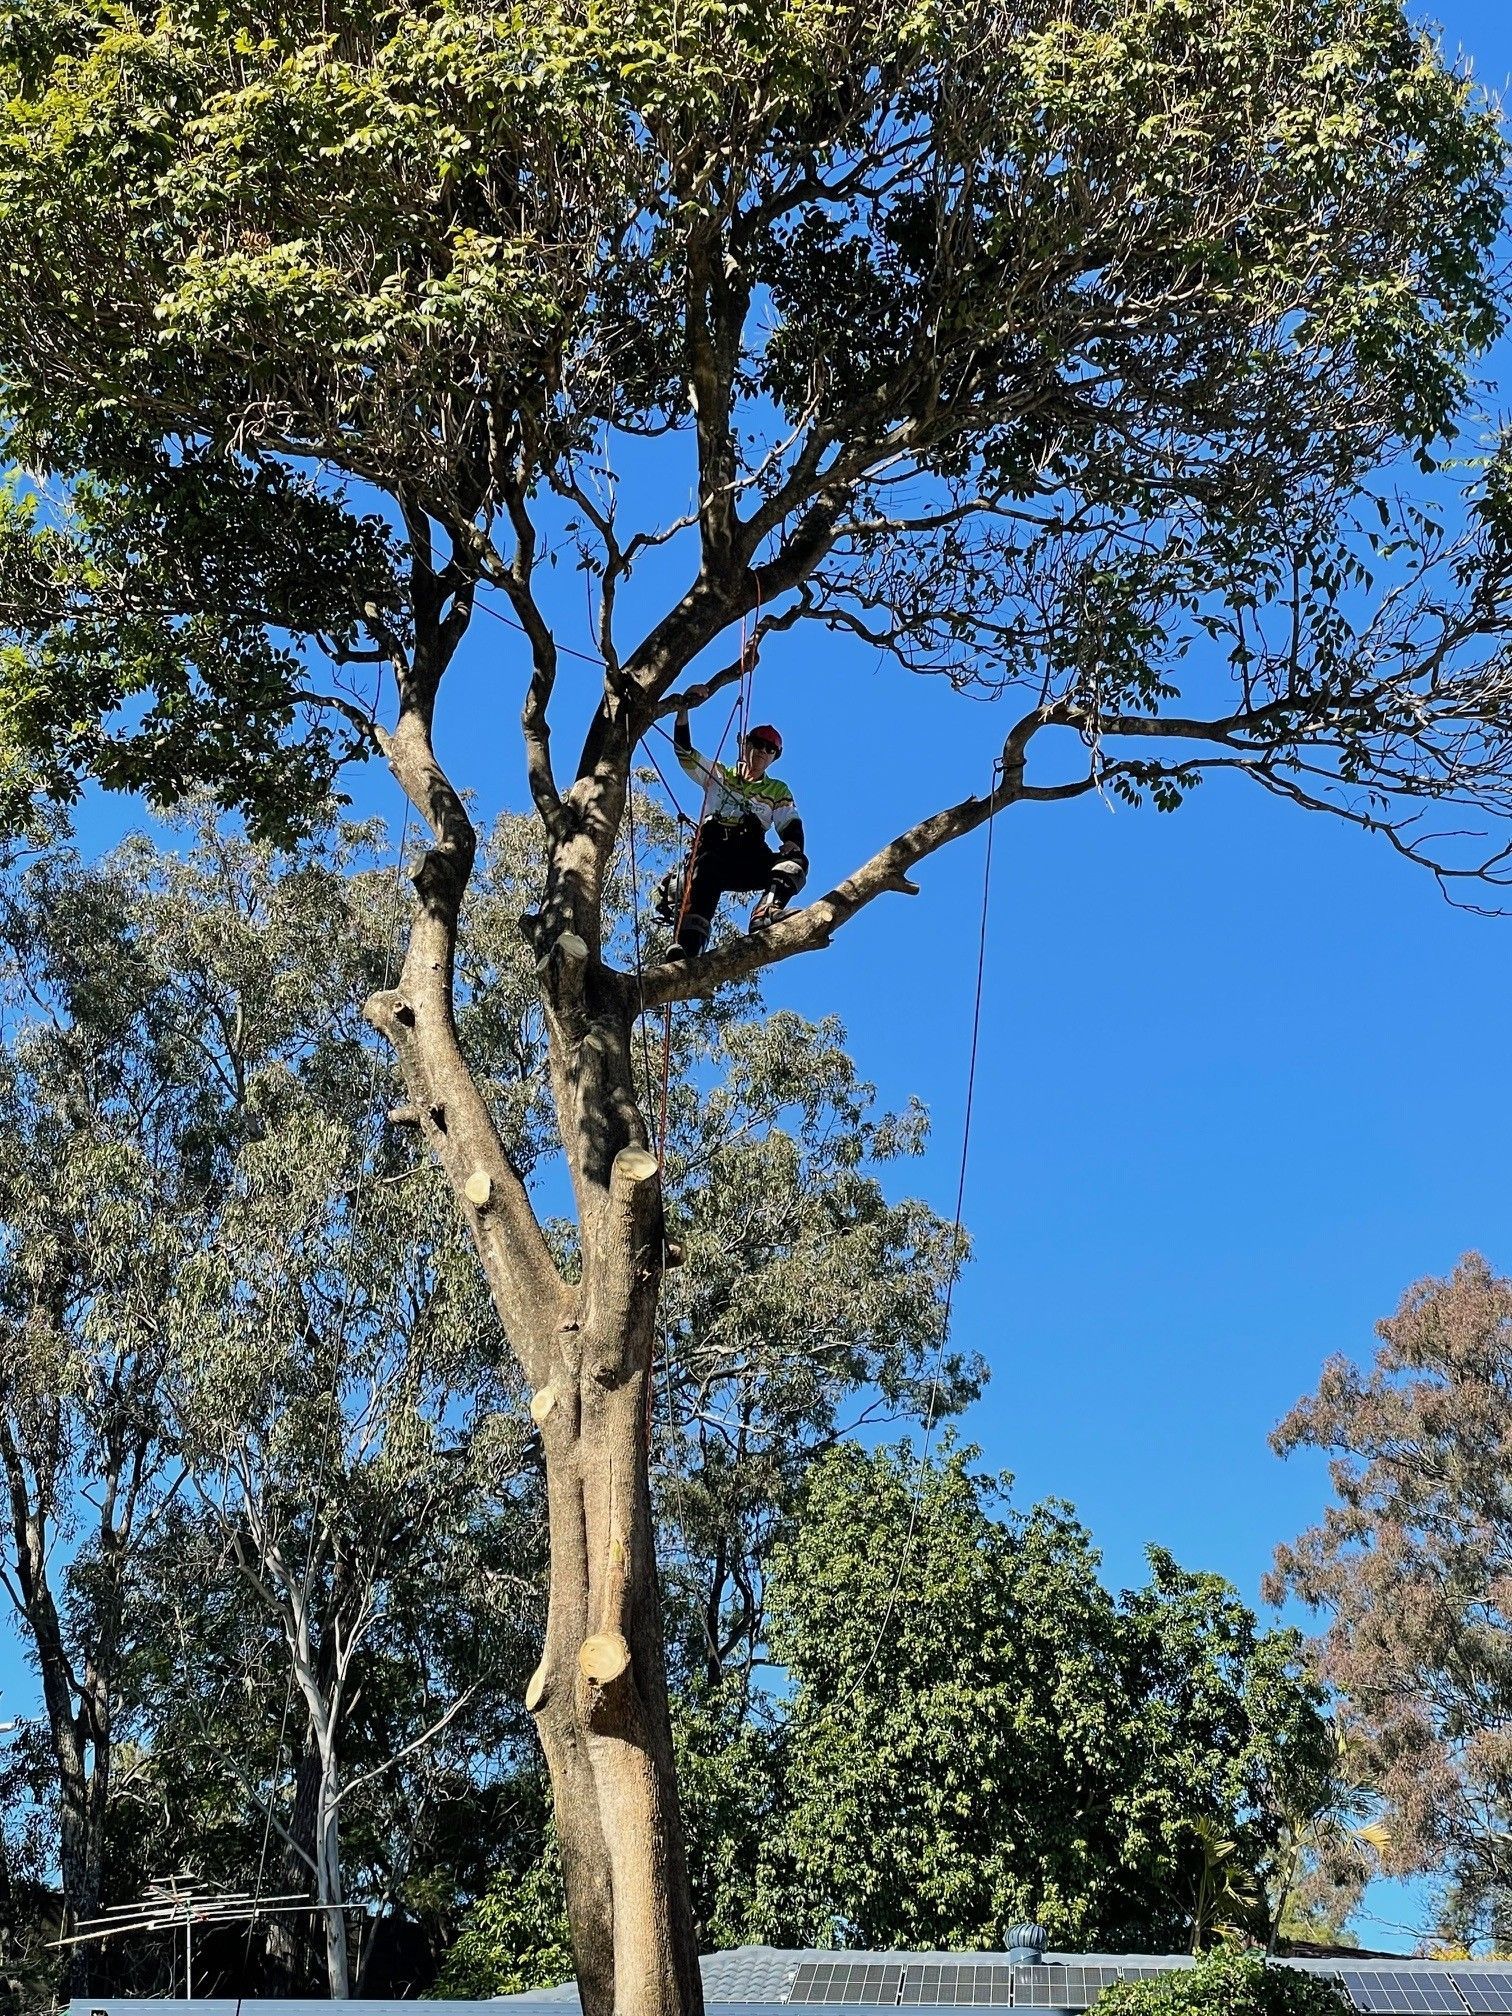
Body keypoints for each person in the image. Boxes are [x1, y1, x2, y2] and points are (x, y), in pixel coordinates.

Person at [655, 697, 808, 961]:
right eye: (758, 744)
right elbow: (684, 752)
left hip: (749, 856)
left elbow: (790, 823)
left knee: (795, 861)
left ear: (774, 757)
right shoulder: (719, 775)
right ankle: (687, 951)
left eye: (770, 749)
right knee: (704, 880)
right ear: (746, 744)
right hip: (712, 855)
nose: (762, 751)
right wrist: (682, 711)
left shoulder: (777, 790)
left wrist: (793, 843)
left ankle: (766, 913)